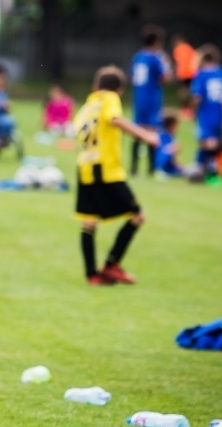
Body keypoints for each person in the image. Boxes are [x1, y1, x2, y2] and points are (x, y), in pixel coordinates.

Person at [73, 66, 159, 286]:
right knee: (137, 215)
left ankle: (93, 275)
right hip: (106, 169)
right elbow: (115, 119)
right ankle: (112, 265)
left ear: (95, 86)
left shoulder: (89, 104)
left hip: (85, 167)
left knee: (89, 221)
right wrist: (146, 136)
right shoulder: (109, 98)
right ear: (119, 90)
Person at [129, 24, 170, 176]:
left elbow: (133, 77)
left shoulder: (138, 56)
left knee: (137, 131)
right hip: (152, 98)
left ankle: (133, 167)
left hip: (139, 98)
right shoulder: (156, 57)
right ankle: (152, 168)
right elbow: (164, 78)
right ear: (157, 42)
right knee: (152, 132)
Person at [190, 44, 222, 178]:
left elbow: (197, 97)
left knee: (208, 143)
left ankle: (205, 171)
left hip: (207, 114)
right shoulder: (221, 72)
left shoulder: (201, 75)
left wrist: (194, 110)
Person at [171, 34, 197, 117]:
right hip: (192, 72)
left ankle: (185, 109)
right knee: (191, 91)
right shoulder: (189, 48)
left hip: (183, 73)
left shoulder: (177, 49)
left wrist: (175, 72)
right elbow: (195, 58)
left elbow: (178, 62)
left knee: (183, 91)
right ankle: (191, 110)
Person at [154, 111, 184, 179]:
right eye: (176, 125)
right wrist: (174, 148)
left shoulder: (169, 136)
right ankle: (160, 171)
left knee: (183, 170)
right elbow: (164, 151)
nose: (178, 128)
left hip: (169, 166)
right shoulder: (164, 136)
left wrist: (177, 165)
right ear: (171, 126)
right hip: (162, 165)